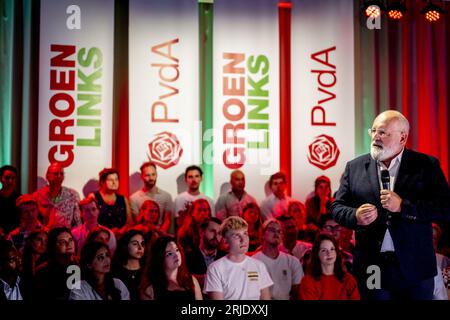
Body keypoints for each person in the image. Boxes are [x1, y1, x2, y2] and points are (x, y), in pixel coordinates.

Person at [331, 110, 450, 300]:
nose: (376, 137)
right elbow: (337, 207)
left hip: (416, 266)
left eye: (383, 132)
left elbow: (445, 208)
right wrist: (355, 216)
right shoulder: (355, 167)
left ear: (402, 138)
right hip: (372, 266)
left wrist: (404, 207)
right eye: (374, 131)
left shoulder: (426, 165)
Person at [203, 216, 273, 300]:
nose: (243, 239)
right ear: (225, 240)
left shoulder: (259, 266)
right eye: (236, 235)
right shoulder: (215, 269)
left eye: (245, 234)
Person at [253, 219, 304, 300]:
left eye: (279, 231)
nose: (276, 233)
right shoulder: (253, 262)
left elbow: (297, 292)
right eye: (272, 230)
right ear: (262, 234)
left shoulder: (293, 262)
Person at [140, 235, 202, 300]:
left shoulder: (191, 281)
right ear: (159, 259)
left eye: (177, 250)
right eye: (169, 254)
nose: (176, 255)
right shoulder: (150, 288)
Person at [299, 233, 360, 300]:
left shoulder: (349, 279)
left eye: (332, 249)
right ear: (317, 254)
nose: (329, 253)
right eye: (324, 250)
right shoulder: (308, 281)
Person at [32, 227, 78, 300]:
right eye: (63, 241)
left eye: (71, 240)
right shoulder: (44, 271)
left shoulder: (78, 265)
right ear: (53, 246)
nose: (68, 244)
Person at [32, 162, 81, 228]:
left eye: (62, 174)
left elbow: (77, 221)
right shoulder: (37, 196)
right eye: (55, 174)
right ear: (47, 176)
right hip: (45, 235)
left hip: (67, 235)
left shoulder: (73, 195)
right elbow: (33, 220)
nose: (59, 176)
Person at [130, 162, 173, 234]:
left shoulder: (166, 196)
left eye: (153, 174)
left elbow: (167, 220)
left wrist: (160, 236)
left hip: (161, 236)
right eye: (147, 175)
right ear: (142, 176)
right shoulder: (134, 198)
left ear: (156, 175)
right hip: (142, 235)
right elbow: (138, 221)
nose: (151, 178)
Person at [184, 217, 227, 289]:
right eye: (212, 231)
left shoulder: (225, 258)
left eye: (219, 233)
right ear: (201, 232)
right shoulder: (187, 257)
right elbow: (185, 280)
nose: (216, 236)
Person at [89, 168, 133, 233]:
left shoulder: (123, 199)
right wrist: (108, 233)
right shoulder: (93, 197)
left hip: (120, 237)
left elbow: (129, 222)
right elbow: (89, 221)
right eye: (110, 180)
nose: (114, 182)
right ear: (102, 182)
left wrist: (120, 232)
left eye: (116, 179)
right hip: (100, 237)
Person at [112, 229, 146, 300]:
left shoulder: (148, 271)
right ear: (125, 246)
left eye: (142, 244)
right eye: (135, 244)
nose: (140, 248)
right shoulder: (116, 272)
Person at [20, 229, 48, 299]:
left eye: (46, 241)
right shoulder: (20, 260)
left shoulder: (49, 262)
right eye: (39, 240)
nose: (43, 244)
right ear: (30, 241)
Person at [0, 165, 21, 235]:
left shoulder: (20, 199)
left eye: (13, 178)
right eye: (7, 178)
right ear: (1, 179)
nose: (10, 181)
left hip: (16, 236)